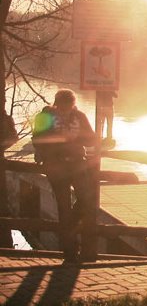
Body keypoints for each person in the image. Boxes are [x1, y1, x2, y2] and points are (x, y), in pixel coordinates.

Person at [32, 89, 97, 263]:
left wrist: (76, 138)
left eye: (68, 107)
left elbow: (91, 139)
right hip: (56, 166)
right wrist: (59, 140)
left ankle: (72, 225)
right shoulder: (44, 117)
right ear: (56, 104)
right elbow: (37, 138)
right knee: (63, 206)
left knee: (85, 199)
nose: (65, 110)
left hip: (77, 164)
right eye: (62, 107)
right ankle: (70, 251)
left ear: (73, 104)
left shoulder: (80, 117)